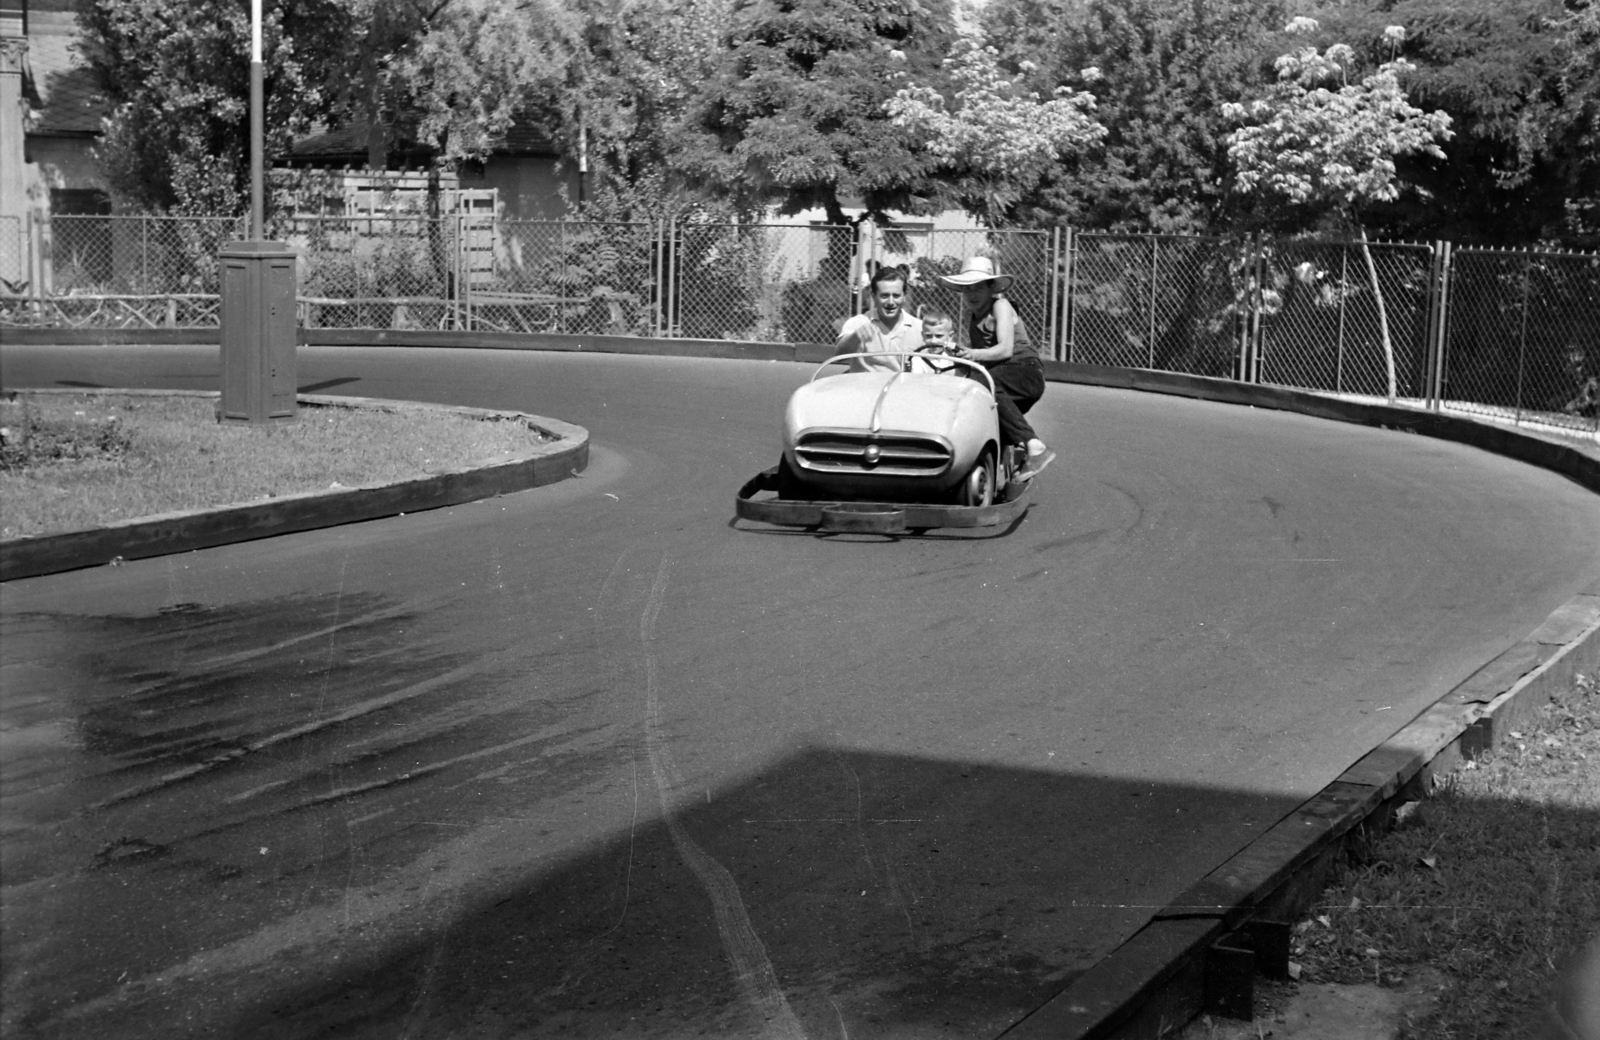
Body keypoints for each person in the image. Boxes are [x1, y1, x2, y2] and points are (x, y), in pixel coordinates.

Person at [937, 256, 1056, 480]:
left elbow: (1005, 350)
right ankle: (994, 472)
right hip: (1002, 377)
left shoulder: (1001, 306)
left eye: (977, 288)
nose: (971, 294)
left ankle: (1035, 446)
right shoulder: (974, 318)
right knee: (978, 408)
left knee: (982, 386)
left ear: (991, 288)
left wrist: (972, 354)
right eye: (966, 289)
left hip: (1025, 371)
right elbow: (981, 364)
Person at [834, 264, 922, 372]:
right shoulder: (859, 323)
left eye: (896, 296)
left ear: (904, 296)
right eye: (884, 296)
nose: (890, 302)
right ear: (874, 296)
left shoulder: (921, 329)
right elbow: (839, 354)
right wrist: (856, 337)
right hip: (865, 387)